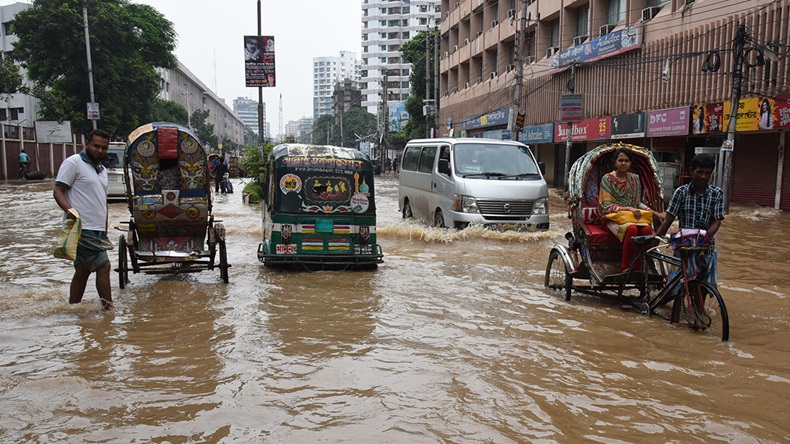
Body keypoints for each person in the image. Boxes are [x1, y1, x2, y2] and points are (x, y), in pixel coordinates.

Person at [53, 129, 114, 310]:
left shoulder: (102, 170)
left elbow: (101, 200)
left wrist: (104, 226)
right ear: (86, 143)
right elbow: (58, 191)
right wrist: (69, 210)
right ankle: (109, 311)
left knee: (83, 270)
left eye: (104, 148)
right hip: (81, 227)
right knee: (104, 266)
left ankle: (73, 309)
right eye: (96, 146)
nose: (100, 151)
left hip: (97, 229)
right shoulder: (74, 163)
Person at [656, 154, 724, 287]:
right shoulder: (680, 192)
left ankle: (699, 308)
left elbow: (717, 220)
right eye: (700, 172)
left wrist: (707, 236)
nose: (703, 177)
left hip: (705, 247)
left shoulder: (717, 193)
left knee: (704, 285)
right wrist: (655, 240)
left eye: (707, 173)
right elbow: (668, 219)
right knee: (676, 288)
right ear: (692, 171)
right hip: (684, 247)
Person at [599, 147, 664, 272]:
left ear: (630, 163)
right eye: (621, 160)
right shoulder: (607, 179)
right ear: (615, 162)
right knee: (632, 229)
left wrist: (656, 213)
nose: (623, 163)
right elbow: (605, 205)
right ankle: (625, 267)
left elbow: (637, 203)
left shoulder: (635, 179)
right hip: (612, 217)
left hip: (632, 217)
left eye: (627, 161)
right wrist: (628, 208)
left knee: (645, 229)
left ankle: (639, 266)